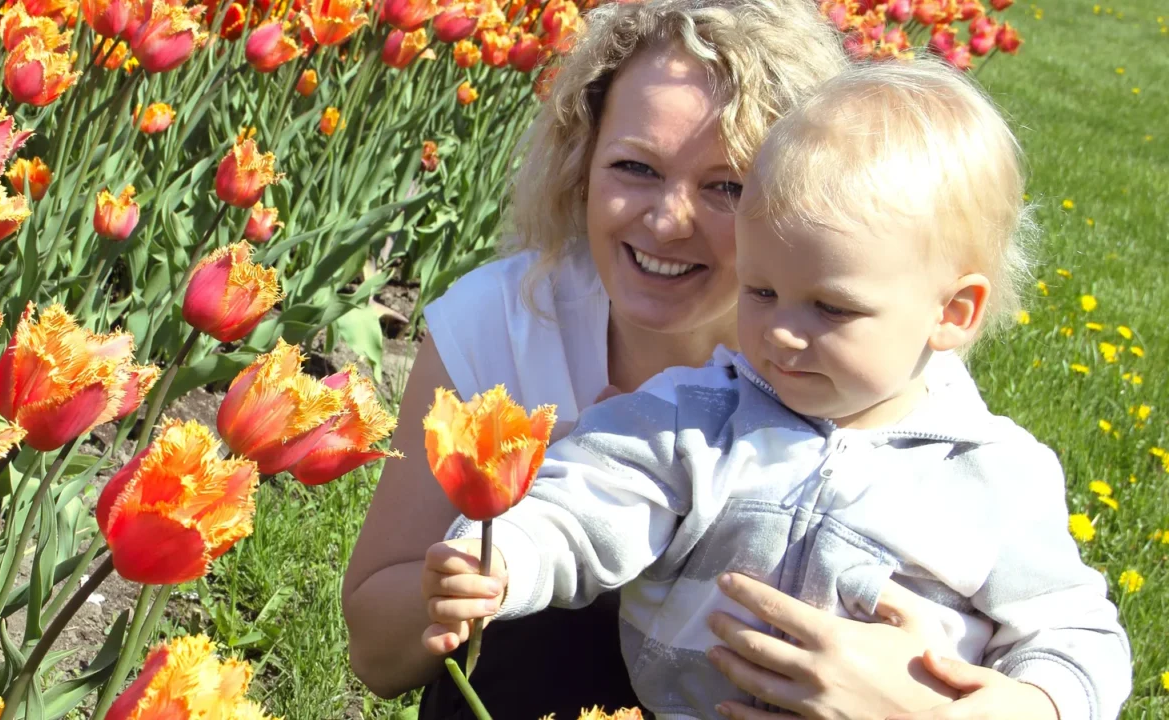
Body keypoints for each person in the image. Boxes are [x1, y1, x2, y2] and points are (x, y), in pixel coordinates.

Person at [344, 0, 1044, 717]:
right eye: (635, 167)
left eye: (727, 187)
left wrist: (926, 702)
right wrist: (498, 557)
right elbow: (375, 655)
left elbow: (1044, 623)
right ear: (583, 161)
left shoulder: (877, 374)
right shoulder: (506, 321)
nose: (667, 220)